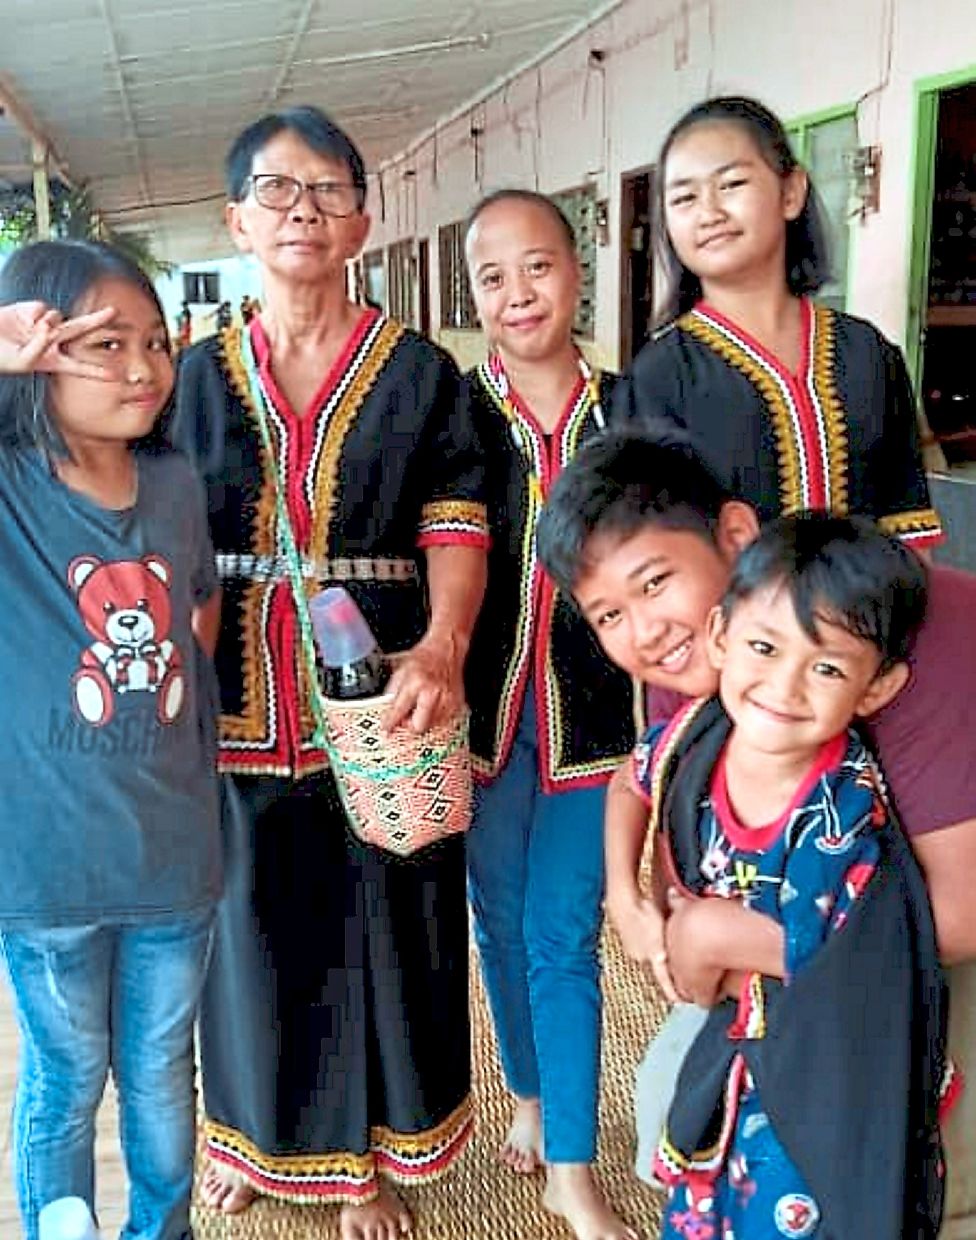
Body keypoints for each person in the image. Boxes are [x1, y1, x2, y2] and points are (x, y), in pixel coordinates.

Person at [170, 105, 489, 1240]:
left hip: (387, 689)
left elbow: (456, 518)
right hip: (231, 697)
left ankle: (364, 1161)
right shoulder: (185, 378)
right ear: (235, 220)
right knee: (247, 932)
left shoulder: (420, 372)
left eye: (326, 190)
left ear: (364, 217)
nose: (300, 209)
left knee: (381, 923)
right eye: (274, 189)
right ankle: (247, 1140)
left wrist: (444, 646)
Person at [538, 429, 976, 1238]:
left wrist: (709, 933)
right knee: (676, 1112)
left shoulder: (901, 643)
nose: (645, 631)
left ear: (736, 538)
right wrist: (637, 907)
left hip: (901, 981)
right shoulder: (711, 665)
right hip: (774, 984)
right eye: (609, 615)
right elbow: (641, 782)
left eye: (655, 582)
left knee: (886, 1186)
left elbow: (950, 920)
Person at [0, 241, 222, 1240]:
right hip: (43, 871)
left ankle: (161, 1230)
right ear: (36, 351)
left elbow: (195, 621)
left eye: (153, 343)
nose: (141, 367)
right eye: (104, 344)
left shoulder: (173, 482)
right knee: (67, 1071)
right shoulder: (12, 489)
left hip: (175, 858)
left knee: (162, 1071)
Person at [462, 188, 640, 1240]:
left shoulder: (632, 409)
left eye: (537, 266)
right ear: (475, 296)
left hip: (597, 719)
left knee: (559, 932)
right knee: (497, 915)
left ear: (576, 271)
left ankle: (572, 1168)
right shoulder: (450, 411)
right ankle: (527, 1092)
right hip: (479, 721)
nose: (518, 292)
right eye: (493, 276)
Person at [615, 96, 943, 551]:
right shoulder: (657, 378)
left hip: (870, 620)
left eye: (730, 184)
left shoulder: (868, 354)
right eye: (684, 197)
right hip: (728, 622)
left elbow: (908, 528)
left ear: (791, 192)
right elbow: (650, 554)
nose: (709, 212)